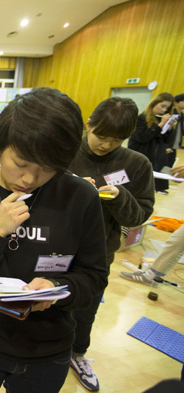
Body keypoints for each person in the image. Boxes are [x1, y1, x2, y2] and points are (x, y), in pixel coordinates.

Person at [0, 87, 108, 393]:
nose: (30, 179)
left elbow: (95, 277)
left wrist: (60, 290)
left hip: (48, 352)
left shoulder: (80, 197)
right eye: (20, 163)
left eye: (47, 168)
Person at [67, 97, 155, 391]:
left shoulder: (136, 164)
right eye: (100, 136)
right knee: (43, 304)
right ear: (89, 125)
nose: (105, 145)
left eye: (115, 140)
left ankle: (77, 354)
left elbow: (142, 212)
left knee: (86, 310)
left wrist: (119, 197)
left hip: (98, 252)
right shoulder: (65, 150)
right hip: (54, 247)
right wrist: (76, 190)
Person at [128, 92, 176, 194]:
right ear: (154, 103)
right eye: (162, 106)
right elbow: (142, 138)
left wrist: (170, 128)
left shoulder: (160, 118)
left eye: (166, 108)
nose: (164, 110)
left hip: (154, 155)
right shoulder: (141, 117)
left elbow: (165, 140)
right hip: (140, 153)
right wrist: (160, 125)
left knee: (148, 185)